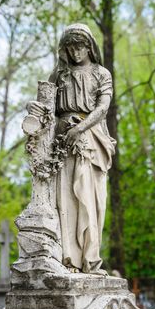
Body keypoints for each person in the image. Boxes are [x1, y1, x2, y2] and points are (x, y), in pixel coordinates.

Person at [49, 23, 116, 274]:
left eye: (80, 46)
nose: (76, 51)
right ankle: (69, 260)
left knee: (92, 199)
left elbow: (102, 108)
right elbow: (46, 107)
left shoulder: (101, 73)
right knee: (66, 199)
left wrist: (81, 128)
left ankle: (90, 259)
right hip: (64, 140)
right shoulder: (58, 76)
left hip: (93, 140)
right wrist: (63, 124)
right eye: (71, 46)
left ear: (89, 46)